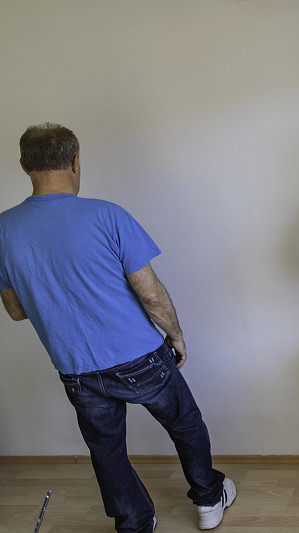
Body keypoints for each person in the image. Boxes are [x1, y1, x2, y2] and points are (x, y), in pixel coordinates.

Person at [0, 124, 235, 532]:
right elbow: (152, 295)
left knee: (106, 450)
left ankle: (135, 522)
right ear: (75, 162)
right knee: (186, 424)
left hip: (75, 367)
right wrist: (176, 336)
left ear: (23, 165)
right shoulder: (106, 215)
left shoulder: (3, 230)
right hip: (140, 357)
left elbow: (17, 311)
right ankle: (209, 500)